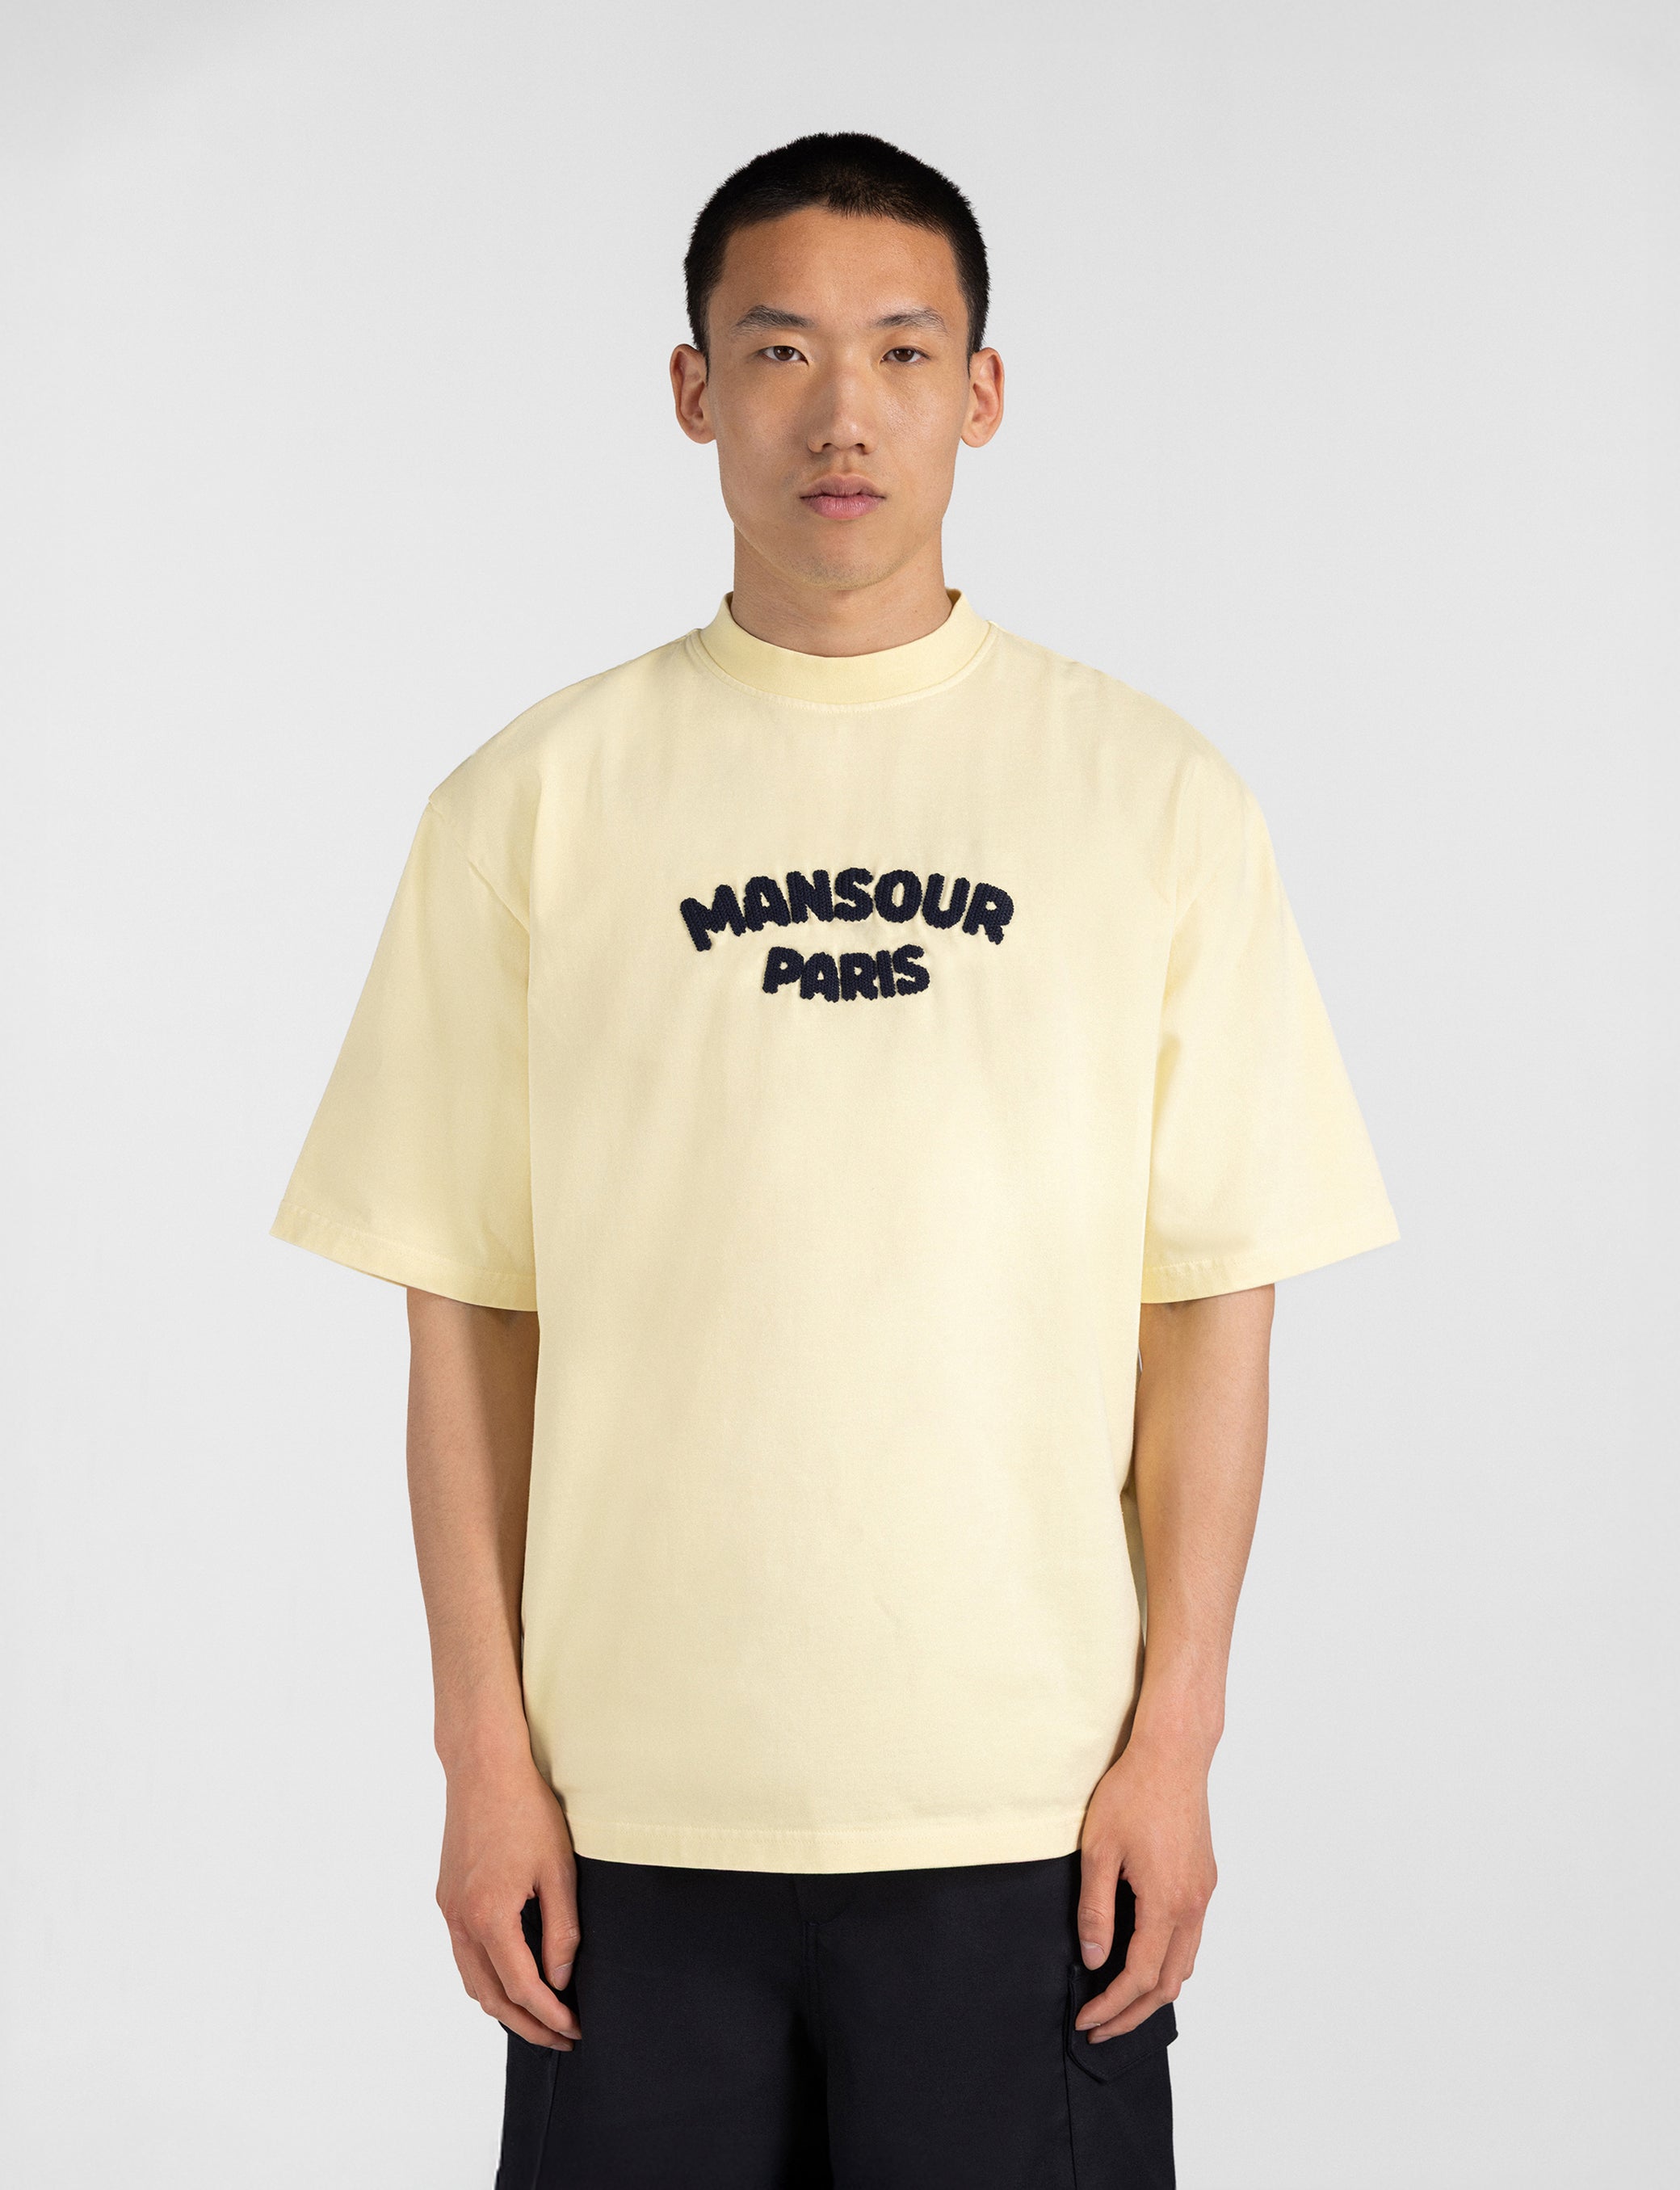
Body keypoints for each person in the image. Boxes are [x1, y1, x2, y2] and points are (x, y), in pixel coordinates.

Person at [271, 132, 1397, 2190]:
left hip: (1025, 1813)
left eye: (900, 349)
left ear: (982, 391)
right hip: (628, 1820)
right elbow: (467, 1328)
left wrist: (1173, 1747)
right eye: (779, 349)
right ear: (691, 387)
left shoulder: (1149, 798)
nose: (840, 413)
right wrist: (481, 1760)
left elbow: (1206, 1315)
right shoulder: (530, 805)